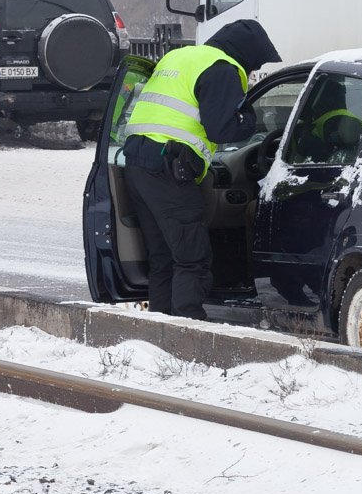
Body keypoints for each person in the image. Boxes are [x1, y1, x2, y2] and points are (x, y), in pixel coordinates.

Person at [120, 19, 280, 320]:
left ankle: (161, 328)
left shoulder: (178, 57)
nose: (251, 73)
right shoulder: (223, 68)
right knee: (192, 258)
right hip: (169, 168)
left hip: (136, 163)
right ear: (246, 54)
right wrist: (249, 117)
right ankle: (187, 328)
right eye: (254, 66)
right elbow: (222, 129)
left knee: (163, 257)